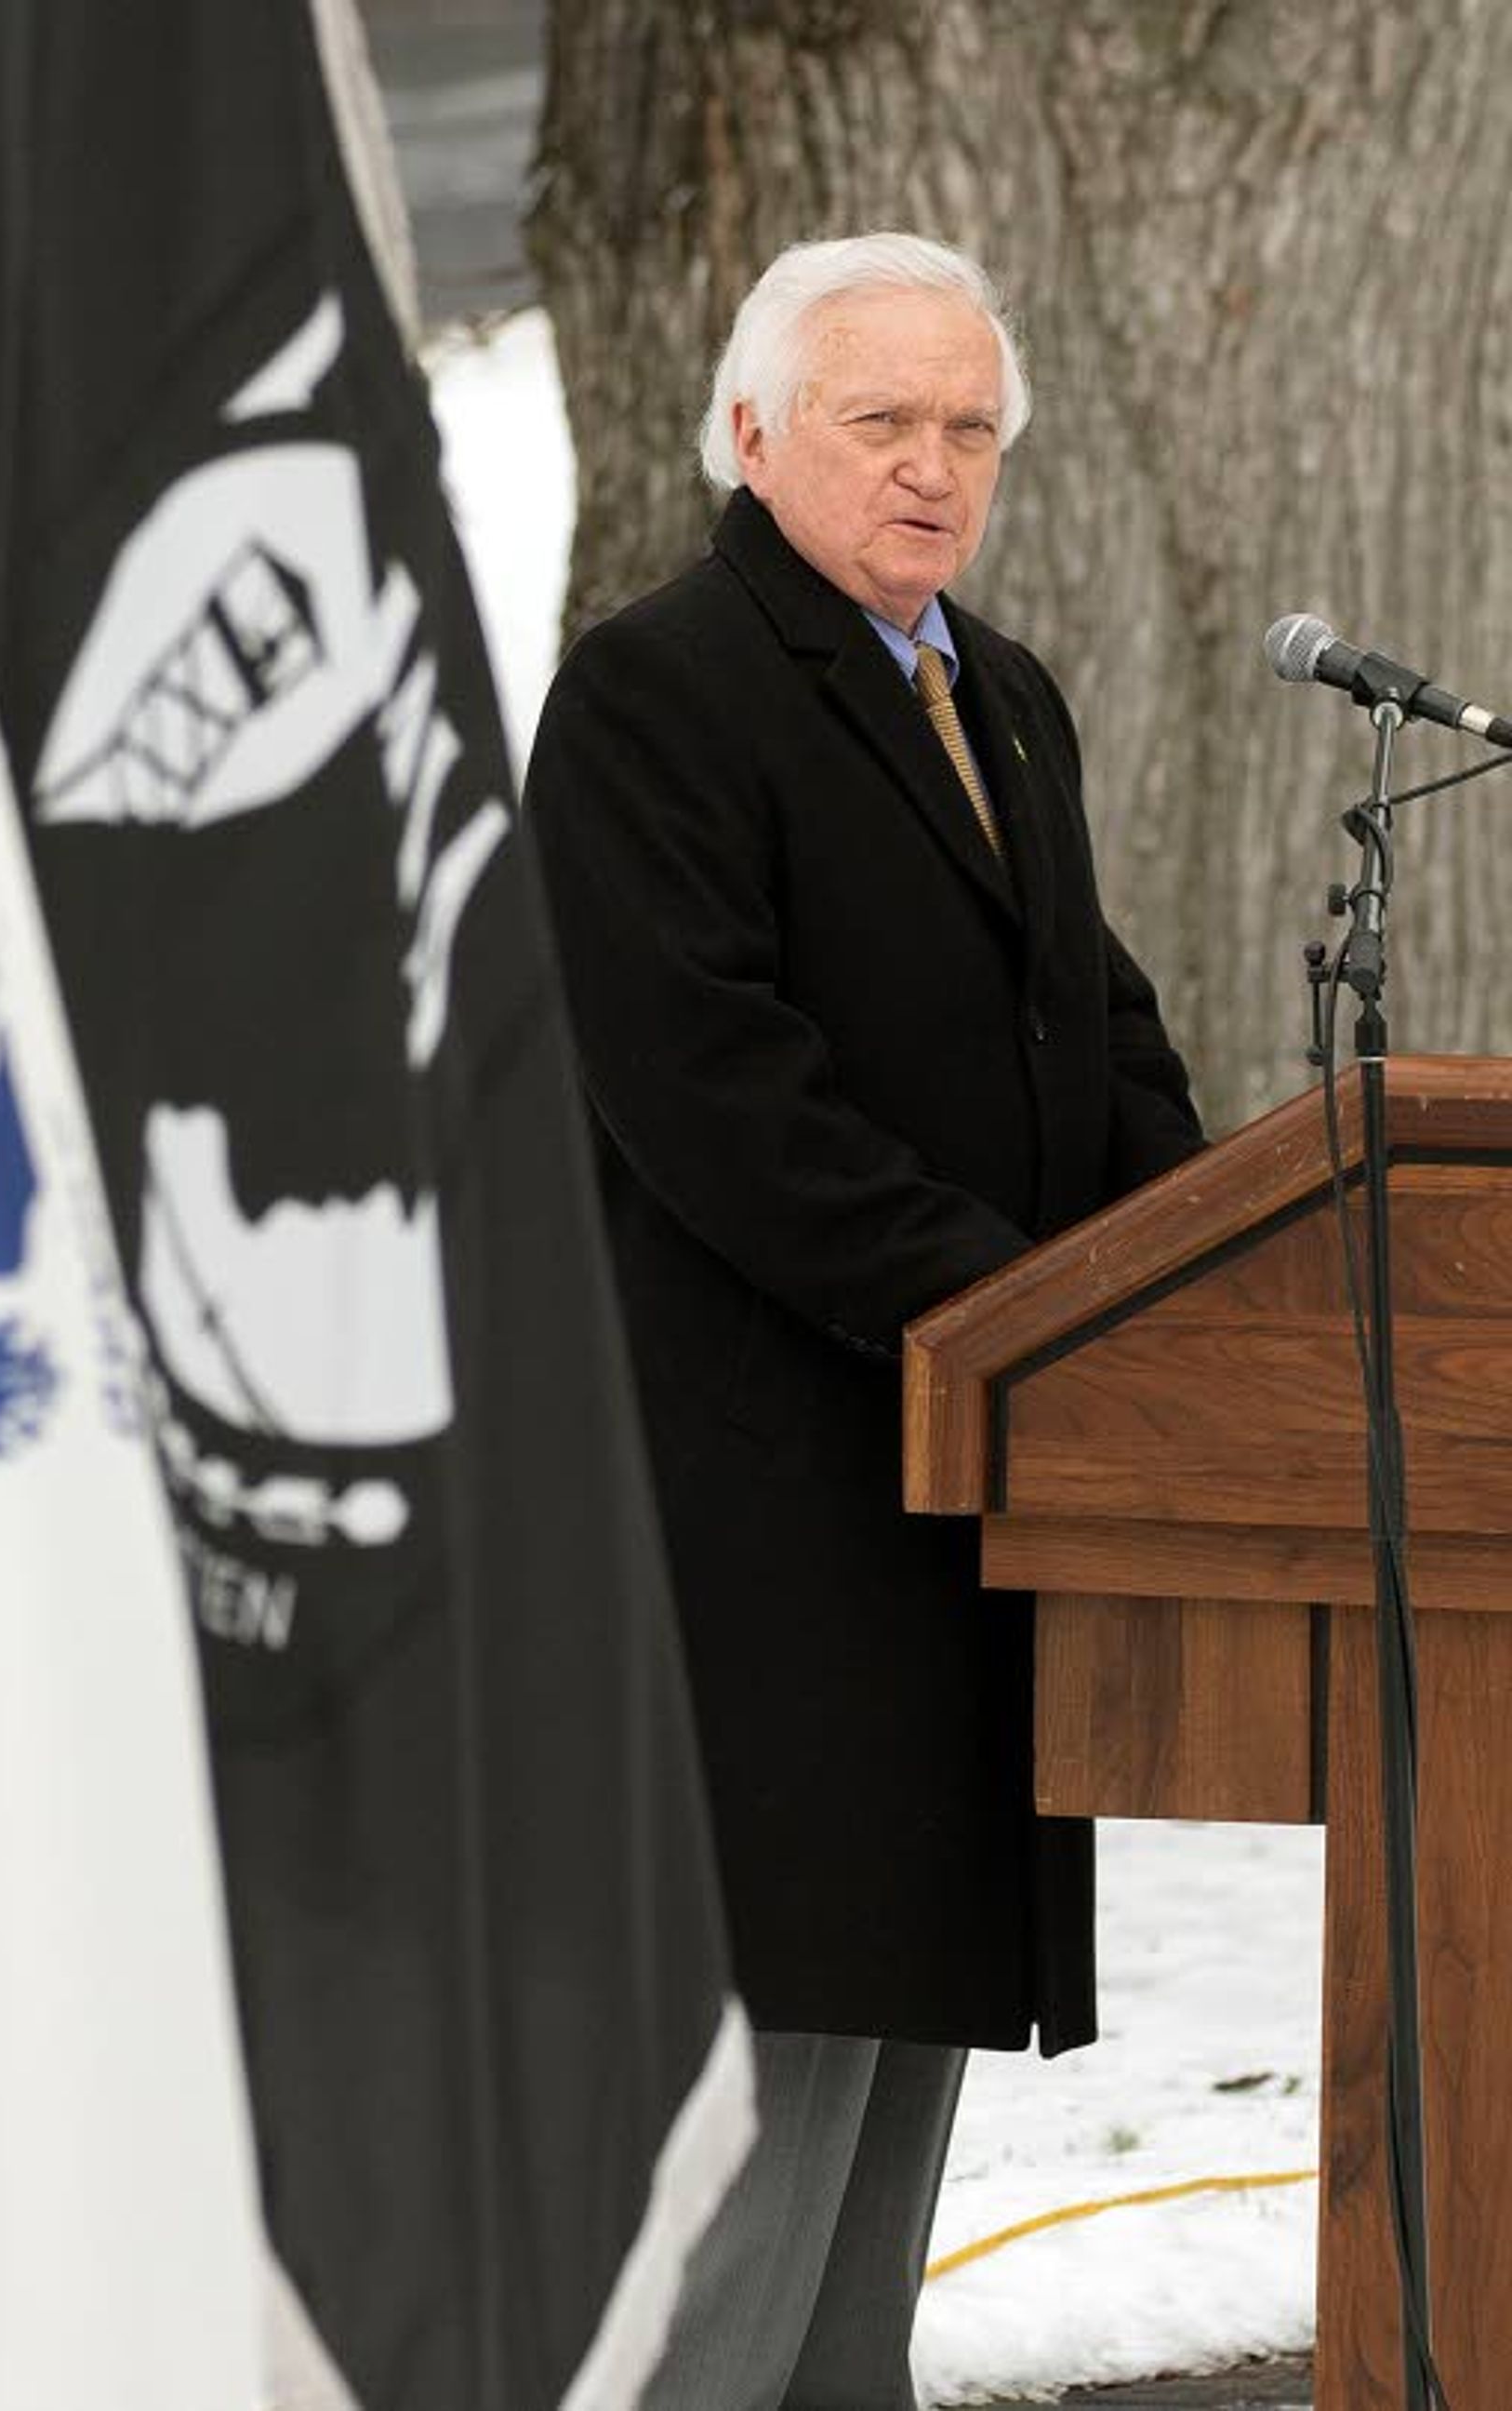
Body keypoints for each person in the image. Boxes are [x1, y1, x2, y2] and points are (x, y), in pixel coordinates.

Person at [523, 232, 1204, 2406]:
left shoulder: (1003, 694)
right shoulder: (658, 692)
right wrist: (1032, 1320)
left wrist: (1194, 1270)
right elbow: (719, 1103)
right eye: (880, 420)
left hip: (967, 1504)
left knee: (898, 2074)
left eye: (969, 427)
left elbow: (1098, 1039)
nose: (933, 467)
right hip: (772, 1518)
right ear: (750, 430)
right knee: (764, 2094)